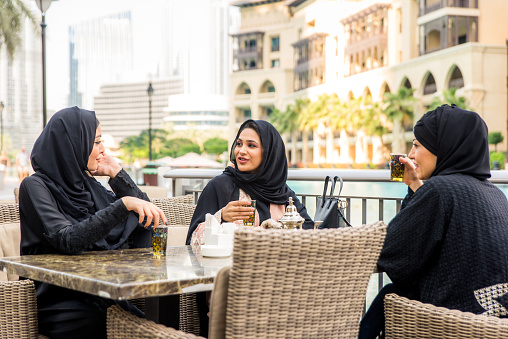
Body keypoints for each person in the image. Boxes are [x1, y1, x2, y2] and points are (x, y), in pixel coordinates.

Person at [359, 104, 508, 338]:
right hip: (491, 324)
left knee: (392, 292)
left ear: (444, 147)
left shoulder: (441, 190)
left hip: (450, 324)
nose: (409, 155)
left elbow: (390, 250)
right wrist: (415, 186)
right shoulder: (496, 194)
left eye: (417, 145)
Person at [19, 107, 167, 339]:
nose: (102, 149)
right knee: (130, 326)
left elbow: (149, 218)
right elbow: (67, 239)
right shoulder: (35, 187)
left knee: (154, 324)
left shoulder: (87, 185)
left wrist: (117, 174)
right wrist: (122, 205)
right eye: (96, 141)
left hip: (101, 292)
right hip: (61, 300)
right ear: (73, 144)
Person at [186, 119, 313, 246]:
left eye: (251, 145)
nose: (241, 151)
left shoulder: (281, 192)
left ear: (268, 153)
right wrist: (221, 217)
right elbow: (191, 242)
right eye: (239, 144)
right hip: (230, 265)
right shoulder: (221, 186)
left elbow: (310, 233)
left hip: (278, 264)